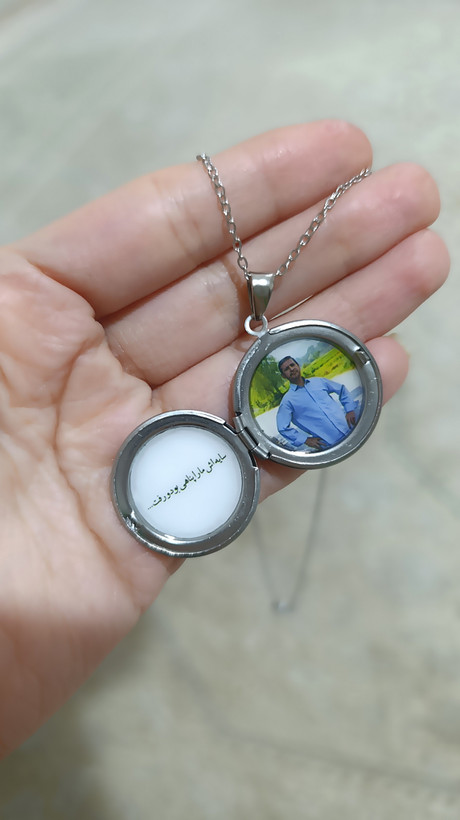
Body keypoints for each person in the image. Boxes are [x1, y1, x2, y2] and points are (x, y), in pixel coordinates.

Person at [0, 121, 448, 757]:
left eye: (294, 366)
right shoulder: (284, 405)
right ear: (282, 374)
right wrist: (291, 439)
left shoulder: (325, 382)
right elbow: (283, 432)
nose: (293, 371)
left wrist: (345, 414)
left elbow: (351, 400)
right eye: (287, 369)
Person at [276, 356, 357, 450]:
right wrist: (305, 440)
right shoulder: (287, 401)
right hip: (329, 445)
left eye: (292, 365)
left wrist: (350, 409)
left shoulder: (318, 381)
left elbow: (342, 389)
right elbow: (282, 428)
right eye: (286, 369)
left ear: (298, 365)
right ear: (283, 376)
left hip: (350, 429)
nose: (291, 369)